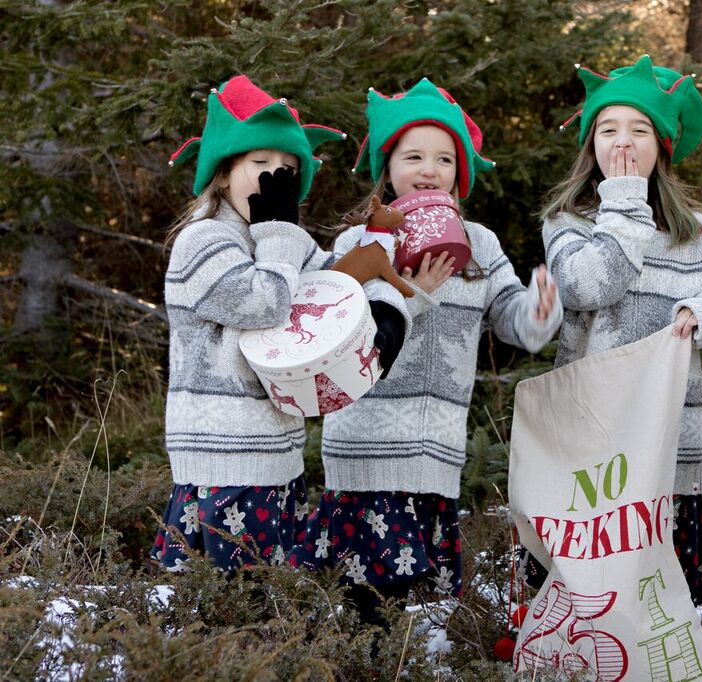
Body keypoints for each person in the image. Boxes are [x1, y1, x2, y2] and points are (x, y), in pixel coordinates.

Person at [289, 78, 562, 626]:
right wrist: (406, 293)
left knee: (409, 596)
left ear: (459, 173)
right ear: (388, 168)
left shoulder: (479, 244)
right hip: (365, 448)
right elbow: (334, 335)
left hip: (437, 449)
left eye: (443, 158)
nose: (428, 168)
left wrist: (537, 313)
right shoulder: (358, 243)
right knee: (362, 599)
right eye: (413, 155)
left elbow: (509, 316)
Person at [151, 75, 409, 572]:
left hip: (279, 460)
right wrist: (279, 233)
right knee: (225, 611)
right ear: (224, 173)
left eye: (288, 168)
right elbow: (263, 304)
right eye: (261, 163)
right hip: (221, 463)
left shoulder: (284, 243)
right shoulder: (202, 242)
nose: (275, 176)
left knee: (272, 613)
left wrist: (385, 312)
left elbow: (336, 283)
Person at [528, 54, 702, 605]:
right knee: (589, 593)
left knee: (658, 603)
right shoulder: (566, 221)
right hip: (591, 434)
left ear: (663, 146)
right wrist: (624, 203)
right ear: (591, 145)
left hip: (668, 439)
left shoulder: (696, 233)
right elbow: (586, 288)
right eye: (608, 129)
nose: (622, 142)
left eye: (639, 129)